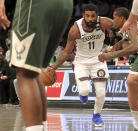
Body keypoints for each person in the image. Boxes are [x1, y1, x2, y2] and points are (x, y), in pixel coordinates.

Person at [0, 0, 73, 131]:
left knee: (25, 74)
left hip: (35, 5)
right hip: (65, 5)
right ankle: (42, 127)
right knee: (36, 71)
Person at [49, 3, 113, 127]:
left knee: (101, 93)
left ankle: (96, 115)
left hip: (98, 59)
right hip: (81, 62)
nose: (90, 19)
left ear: (97, 16)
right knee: (85, 91)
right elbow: (66, 52)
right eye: (87, 16)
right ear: (83, 15)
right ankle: (82, 92)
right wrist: (53, 67)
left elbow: (118, 25)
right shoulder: (75, 30)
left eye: (93, 16)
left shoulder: (104, 23)